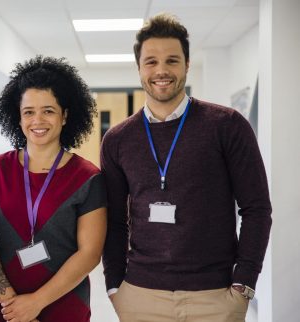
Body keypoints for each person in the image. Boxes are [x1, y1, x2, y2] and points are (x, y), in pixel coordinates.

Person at [101, 13, 272, 322]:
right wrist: (114, 285)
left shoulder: (227, 126)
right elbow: (114, 220)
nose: (162, 71)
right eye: (151, 62)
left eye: (172, 60)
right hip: (140, 296)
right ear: (139, 68)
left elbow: (257, 208)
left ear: (187, 64)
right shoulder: (117, 139)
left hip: (214, 296)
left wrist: (244, 284)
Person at [0, 56, 107, 322]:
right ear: (18, 117)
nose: (38, 120)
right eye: (29, 112)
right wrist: (13, 305)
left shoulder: (88, 177)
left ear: (65, 115)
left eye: (48, 110)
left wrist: (35, 303)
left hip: (64, 304)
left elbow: (89, 253)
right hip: (4, 308)